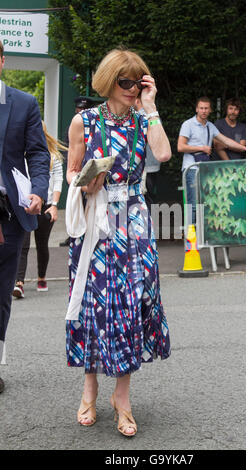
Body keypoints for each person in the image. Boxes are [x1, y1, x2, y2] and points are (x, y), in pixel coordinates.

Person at [66, 47, 171, 436]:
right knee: (96, 303)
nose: (131, 88)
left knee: (135, 300)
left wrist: (151, 104)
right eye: (124, 81)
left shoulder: (145, 120)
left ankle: (121, 397)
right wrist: (84, 182)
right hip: (96, 218)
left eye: (137, 81)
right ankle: (90, 387)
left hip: (134, 218)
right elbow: (72, 170)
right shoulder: (84, 121)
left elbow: (162, 152)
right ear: (109, 82)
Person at [0, 40, 50, 392]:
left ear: (1, 60)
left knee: (1, 295)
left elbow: (38, 154)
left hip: (7, 216)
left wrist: (40, 191)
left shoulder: (23, 103)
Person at [178, 97, 246, 224]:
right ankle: (190, 239)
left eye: (206, 108)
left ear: (210, 110)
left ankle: (202, 237)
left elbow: (226, 141)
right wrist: (201, 148)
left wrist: (245, 148)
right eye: (201, 108)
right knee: (193, 204)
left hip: (205, 169)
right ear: (197, 109)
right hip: (191, 169)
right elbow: (180, 147)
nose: (203, 111)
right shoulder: (188, 124)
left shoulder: (211, 126)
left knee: (206, 203)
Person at [12, 121, 66, 298]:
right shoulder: (20, 153)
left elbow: (58, 181)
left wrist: (55, 205)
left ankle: (42, 277)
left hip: (46, 204)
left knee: (42, 244)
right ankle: (19, 282)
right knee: (24, 244)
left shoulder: (53, 156)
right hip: (25, 205)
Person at [59, 96, 95, 247]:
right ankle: (73, 233)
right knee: (75, 203)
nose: (81, 111)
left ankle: (85, 232)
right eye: (79, 109)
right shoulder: (75, 124)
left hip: (89, 173)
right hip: (75, 172)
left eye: (84, 109)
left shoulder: (93, 125)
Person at [134, 97, 161, 209]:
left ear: (137, 101)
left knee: (144, 198)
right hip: (153, 164)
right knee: (148, 196)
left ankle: (148, 224)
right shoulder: (153, 116)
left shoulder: (139, 117)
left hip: (144, 166)